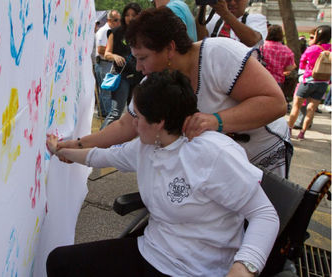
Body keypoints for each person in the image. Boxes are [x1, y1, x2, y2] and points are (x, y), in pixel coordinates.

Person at [46, 70, 280, 277]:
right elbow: (100, 156)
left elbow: (265, 215)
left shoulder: (214, 152)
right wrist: (61, 150)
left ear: (159, 123)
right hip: (152, 251)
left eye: (137, 116)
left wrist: (243, 267)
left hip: (197, 268)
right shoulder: (147, 146)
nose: (132, 123)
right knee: (59, 262)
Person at [60, 7, 291, 178]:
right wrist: (79, 144)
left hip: (261, 156)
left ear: (170, 48)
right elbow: (126, 125)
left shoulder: (219, 54)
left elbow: (275, 103)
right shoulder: (156, 80)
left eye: (143, 58)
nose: (139, 67)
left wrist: (215, 121)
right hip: (220, 165)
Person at [101, 3, 144, 129]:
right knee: (116, 113)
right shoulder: (116, 32)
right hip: (121, 76)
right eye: (127, 15)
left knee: (135, 113)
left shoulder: (144, 34)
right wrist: (114, 56)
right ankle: (98, 140)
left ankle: (122, 144)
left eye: (134, 15)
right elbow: (107, 53)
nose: (130, 18)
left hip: (138, 76)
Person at [288, 25, 331, 140]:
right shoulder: (330, 49)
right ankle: (302, 133)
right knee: (311, 109)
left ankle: (289, 129)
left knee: (296, 106)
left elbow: (302, 62)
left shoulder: (313, 48)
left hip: (308, 80)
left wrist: (302, 74)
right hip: (323, 82)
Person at [198, 0, 267, 48]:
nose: (232, 3)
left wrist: (225, 13)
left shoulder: (256, 19)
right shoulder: (211, 19)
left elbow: (251, 40)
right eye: (228, 0)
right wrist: (202, 6)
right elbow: (201, 41)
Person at [94, 10, 121, 118]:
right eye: (116, 20)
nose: (119, 22)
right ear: (109, 20)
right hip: (104, 64)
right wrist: (115, 52)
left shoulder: (107, 30)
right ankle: (107, 116)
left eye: (120, 20)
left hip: (104, 63)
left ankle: (103, 114)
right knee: (106, 92)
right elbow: (100, 49)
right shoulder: (105, 31)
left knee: (105, 92)